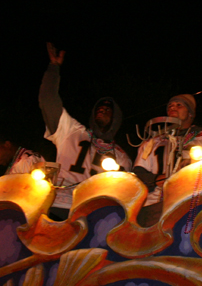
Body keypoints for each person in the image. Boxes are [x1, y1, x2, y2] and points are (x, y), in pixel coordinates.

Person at [39, 43, 132, 210]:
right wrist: (54, 68)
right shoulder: (72, 131)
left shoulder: (121, 157)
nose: (101, 111)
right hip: (59, 204)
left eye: (107, 110)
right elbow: (47, 100)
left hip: (93, 211)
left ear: (116, 118)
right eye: (99, 109)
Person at [132, 94, 202, 209]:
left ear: (190, 113)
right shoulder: (153, 142)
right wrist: (155, 179)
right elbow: (138, 173)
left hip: (192, 201)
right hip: (154, 203)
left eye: (179, 105)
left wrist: (196, 162)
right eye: (170, 106)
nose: (172, 108)